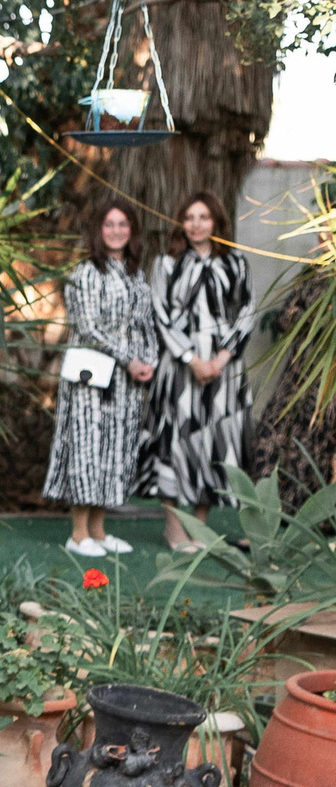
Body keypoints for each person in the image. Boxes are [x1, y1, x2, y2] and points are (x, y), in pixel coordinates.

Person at [140, 191, 257, 550]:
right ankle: (174, 528)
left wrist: (221, 359)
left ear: (216, 222)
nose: (196, 224)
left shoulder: (236, 263)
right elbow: (159, 315)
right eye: (189, 217)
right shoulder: (167, 263)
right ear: (181, 223)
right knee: (173, 443)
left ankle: (200, 528)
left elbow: (247, 311)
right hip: (179, 369)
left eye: (203, 217)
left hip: (225, 369)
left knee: (214, 444)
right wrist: (191, 359)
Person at [44, 200, 160, 559]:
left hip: (126, 381)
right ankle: (78, 534)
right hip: (91, 377)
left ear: (132, 230)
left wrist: (149, 361)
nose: (116, 231)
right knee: (87, 449)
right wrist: (129, 359)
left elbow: (145, 322)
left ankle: (98, 529)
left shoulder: (134, 272)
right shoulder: (86, 273)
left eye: (123, 224)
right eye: (109, 224)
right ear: (98, 230)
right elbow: (89, 326)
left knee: (113, 450)